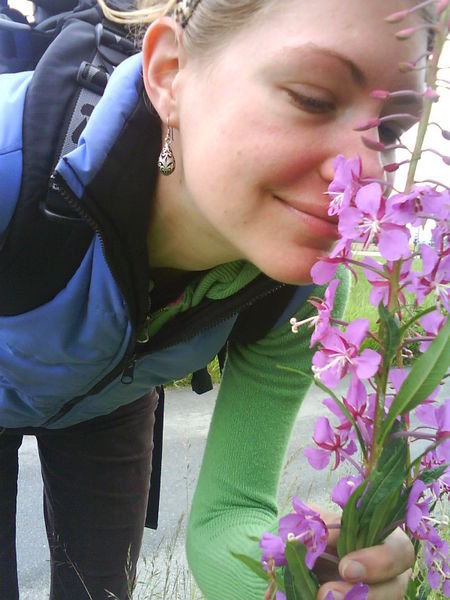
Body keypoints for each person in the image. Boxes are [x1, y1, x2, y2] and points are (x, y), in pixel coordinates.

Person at [0, 0, 433, 598]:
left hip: (105, 405)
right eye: (312, 97)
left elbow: (229, 516)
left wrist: (292, 581)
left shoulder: (305, 294)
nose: (362, 175)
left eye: (388, 132)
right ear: (169, 72)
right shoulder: (11, 167)